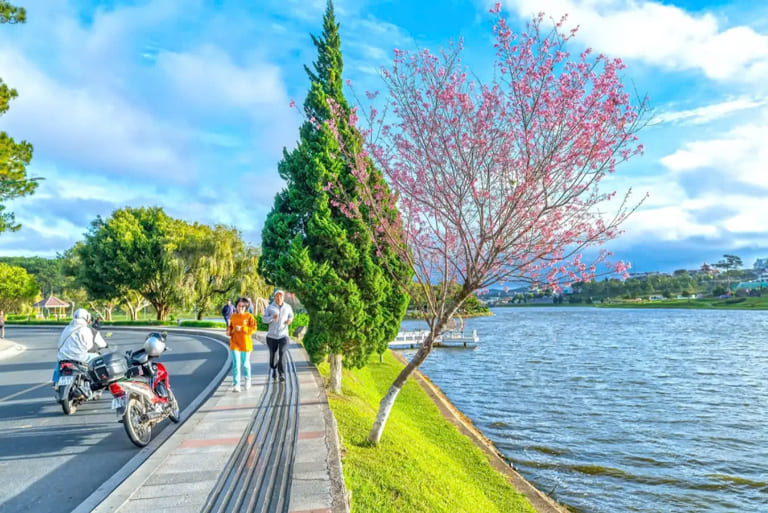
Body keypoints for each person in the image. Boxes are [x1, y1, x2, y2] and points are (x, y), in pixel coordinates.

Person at [52, 308, 107, 385]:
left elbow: (59, 345)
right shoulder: (85, 330)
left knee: (59, 361)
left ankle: (55, 381)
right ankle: (97, 381)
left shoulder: (67, 328)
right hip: (79, 358)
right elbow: (89, 346)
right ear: (87, 318)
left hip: (63, 357)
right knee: (97, 358)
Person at [226, 297, 256, 392]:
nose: (241, 308)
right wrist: (230, 331)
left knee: (245, 364)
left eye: (243, 306)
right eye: (239, 306)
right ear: (236, 306)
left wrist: (243, 329)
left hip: (246, 344)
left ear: (246, 307)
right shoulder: (233, 316)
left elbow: (254, 329)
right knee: (236, 364)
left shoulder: (249, 316)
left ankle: (247, 379)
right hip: (235, 343)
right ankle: (236, 384)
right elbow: (229, 328)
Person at [262, 289, 293, 382]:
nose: (279, 298)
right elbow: (264, 319)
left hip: (283, 335)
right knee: (273, 356)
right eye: (277, 296)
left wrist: (289, 320)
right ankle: (274, 368)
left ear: (283, 297)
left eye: (281, 296)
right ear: (274, 297)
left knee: (282, 353)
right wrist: (272, 318)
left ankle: (282, 373)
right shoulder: (270, 307)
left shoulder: (288, 307)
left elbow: (291, 315)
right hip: (272, 336)